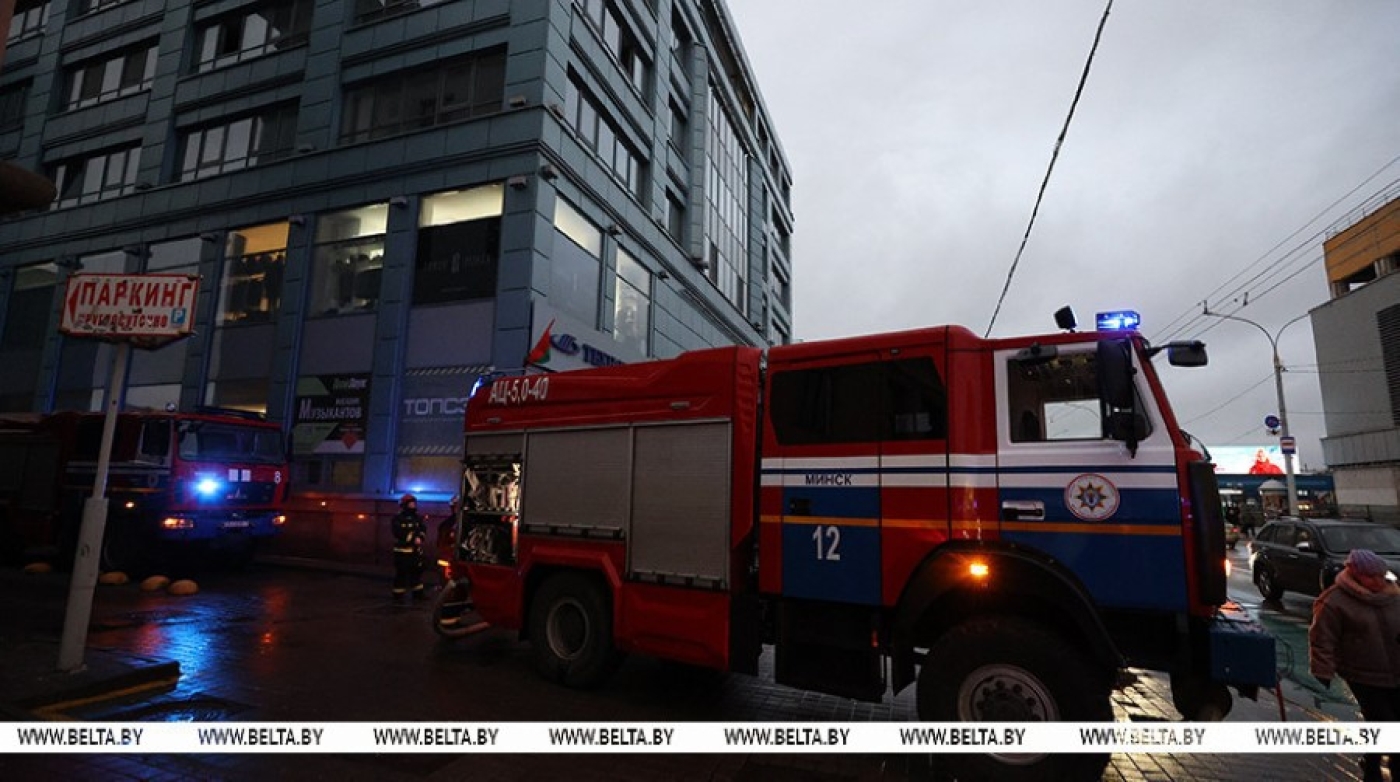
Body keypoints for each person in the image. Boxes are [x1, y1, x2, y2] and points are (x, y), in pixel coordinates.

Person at [1309, 549, 1400, 782]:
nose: (1379, 581)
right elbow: (1322, 637)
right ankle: (1381, 769)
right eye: (1372, 576)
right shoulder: (1335, 600)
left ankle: (1371, 762)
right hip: (1363, 674)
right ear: (1356, 574)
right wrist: (1323, 668)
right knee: (1386, 724)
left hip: (1396, 671)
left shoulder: (1393, 595)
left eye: (1382, 575)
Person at [390, 493, 427, 603]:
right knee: (401, 574)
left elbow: (423, 529)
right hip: (402, 552)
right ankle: (398, 595)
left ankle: (418, 594)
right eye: (410, 504)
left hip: (415, 552)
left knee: (417, 573)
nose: (413, 505)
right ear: (404, 505)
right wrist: (412, 539)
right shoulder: (397, 518)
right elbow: (398, 532)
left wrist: (420, 537)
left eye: (414, 503)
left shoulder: (417, 517)